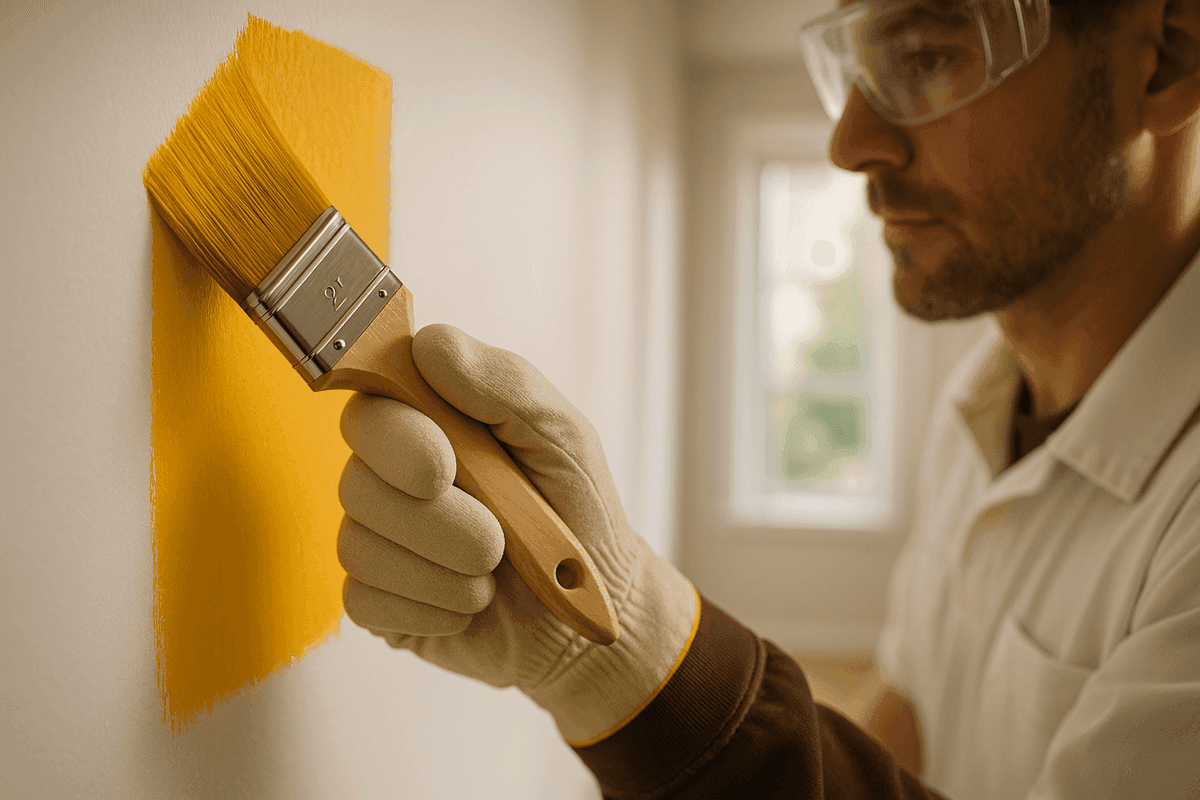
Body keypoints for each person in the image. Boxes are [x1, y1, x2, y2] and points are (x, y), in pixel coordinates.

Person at [332, 0, 1200, 796]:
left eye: (929, 56)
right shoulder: (977, 406)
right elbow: (910, 713)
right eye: (856, 71)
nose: (850, 141)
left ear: (1166, 58)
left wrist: (631, 664)